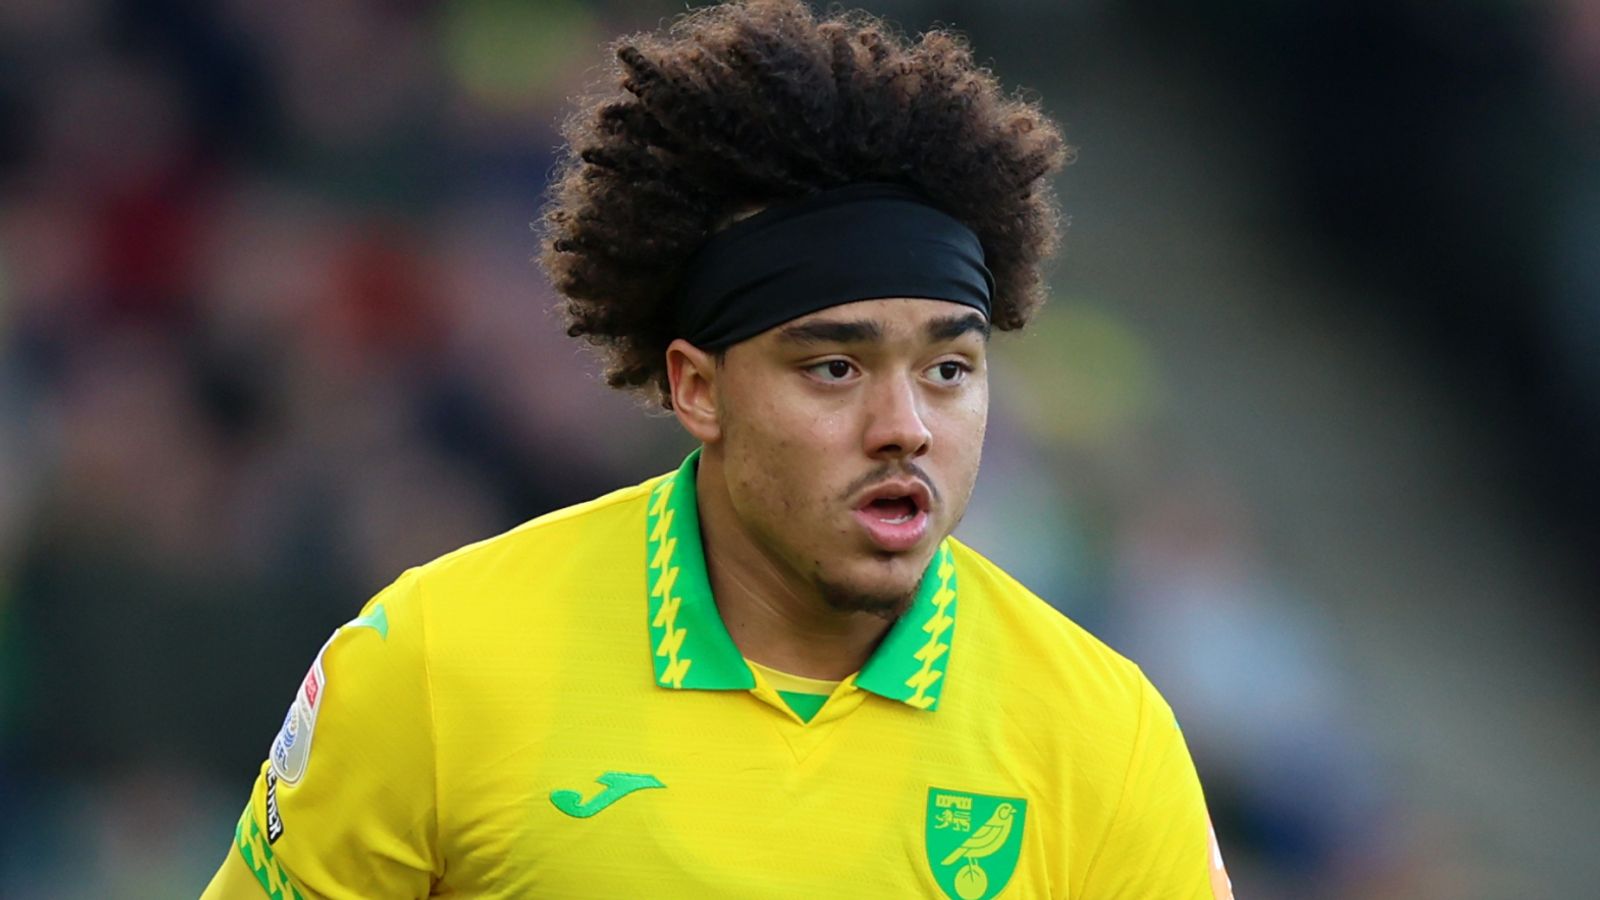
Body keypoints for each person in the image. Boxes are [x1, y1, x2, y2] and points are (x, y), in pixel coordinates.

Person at [202, 1, 1232, 897]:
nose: (906, 424)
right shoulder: (436, 661)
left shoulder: (1102, 734)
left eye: (948, 370)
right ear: (698, 388)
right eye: (835, 367)